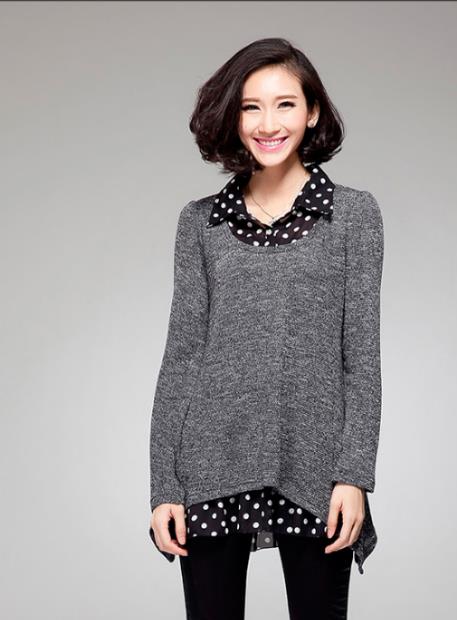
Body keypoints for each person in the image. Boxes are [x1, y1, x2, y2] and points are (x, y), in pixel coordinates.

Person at [148, 37, 384, 620]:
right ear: (233, 117)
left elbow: (361, 357)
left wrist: (354, 475)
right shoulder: (199, 223)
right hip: (209, 463)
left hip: (315, 465)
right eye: (251, 107)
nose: (268, 123)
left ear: (313, 112)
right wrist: (164, 486)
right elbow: (183, 357)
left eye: (285, 104)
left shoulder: (353, 216)